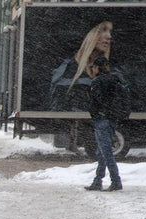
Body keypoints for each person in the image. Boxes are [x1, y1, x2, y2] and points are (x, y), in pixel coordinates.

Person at [49, 21, 113, 153]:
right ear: (91, 35)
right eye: (104, 30)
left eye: (110, 32)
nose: (108, 36)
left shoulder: (109, 66)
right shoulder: (71, 65)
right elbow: (59, 90)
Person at [85, 56, 122, 192]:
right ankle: (97, 181)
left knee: (106, 152)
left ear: (96, 68)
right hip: (112, 119)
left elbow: (98, 100)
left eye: (93, 67)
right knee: (101, 152)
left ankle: (116, 181)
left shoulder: (97, 81)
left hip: (102, 120)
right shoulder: (115, 79)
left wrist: (96, 112)